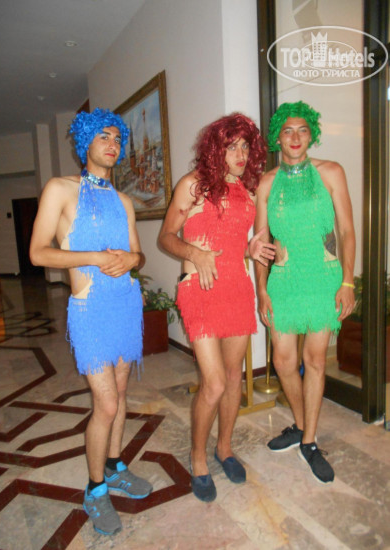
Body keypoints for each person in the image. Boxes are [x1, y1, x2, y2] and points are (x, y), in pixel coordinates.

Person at [29, 108, 152, 536]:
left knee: (121, 393)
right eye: (103, 136)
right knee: (107, 404)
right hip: (90, 311)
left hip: (125, 305)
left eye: (117, 137)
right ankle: (95, 489)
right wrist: (96, 257)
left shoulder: (124, 201)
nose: (112, 143)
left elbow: (138, 255)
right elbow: (38, 252)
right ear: (85, 143)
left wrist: (132, 259)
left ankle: (115, 466)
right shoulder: (60, 189)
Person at [158, 113, 275, 501]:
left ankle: (224, 448)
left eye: (246, 147)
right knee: (214, 383)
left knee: (233, 378)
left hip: (237, 289)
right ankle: (198, 456)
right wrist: (194, 253)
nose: (241, 154)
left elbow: (236, 244)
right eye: (232, 147)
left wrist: (252, 249)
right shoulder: (192, 185)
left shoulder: (248, 191)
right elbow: (165, 237)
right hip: (200, 289)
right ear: (215, 149)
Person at [255, 101, 356, 484]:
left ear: (311, 134)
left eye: (302, 130)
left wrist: (348, 282)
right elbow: (261, 243)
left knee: (314, 360)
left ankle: (310, 441)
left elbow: (346, 231)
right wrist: (261, 290)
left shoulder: (331, 172)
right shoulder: (267, 183)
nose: (295, 137)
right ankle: (300, 425)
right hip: (283, 282)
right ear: (277, 138)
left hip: (323, 279)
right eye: (287, 131)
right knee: (283, 362)